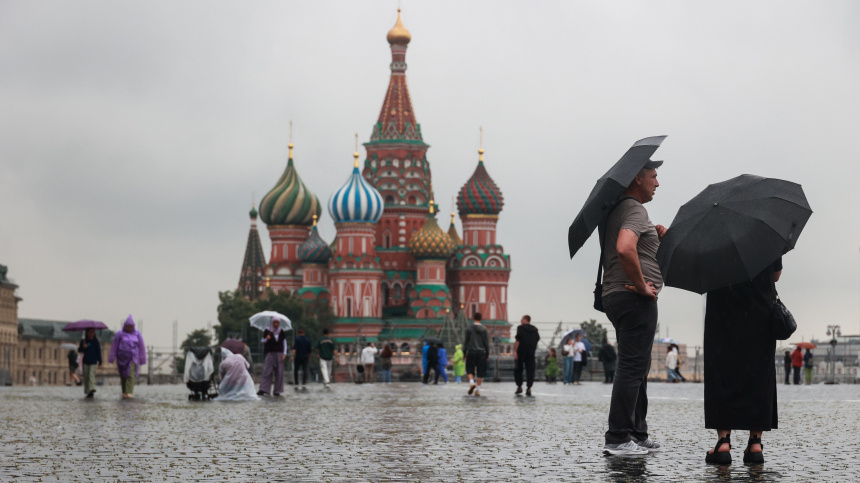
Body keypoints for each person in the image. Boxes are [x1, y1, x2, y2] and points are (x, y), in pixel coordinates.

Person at [598, 161, 665, 456]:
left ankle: (636, 433)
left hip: (616, 295)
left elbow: (631, 246)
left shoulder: (617, 210)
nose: (657, 183)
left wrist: (659, 237)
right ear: (638, 177)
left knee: (638, 367)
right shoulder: (635, 210)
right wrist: (640, 285)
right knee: (631, 367)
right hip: (633, 299)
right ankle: (618, 437)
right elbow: (626, 248)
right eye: (654, 176)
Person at [704, 258, 783, 465]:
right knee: (759, 373)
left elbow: (703, 272)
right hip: (759, 311)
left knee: (722, 371)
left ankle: (723, 443)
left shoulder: (711, 232)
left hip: (723, 311)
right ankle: (755, 443)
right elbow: (776, 275)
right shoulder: (765, 231)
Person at [108, 315, 147, 400]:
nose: (129, 328)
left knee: (130, 374)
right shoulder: (120, 333)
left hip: (133, 357)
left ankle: (129, 392)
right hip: (121, 358)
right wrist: (112, 357)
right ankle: (124, 392)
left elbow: (141, 346)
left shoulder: (137, 333)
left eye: (131, 326)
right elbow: (114, 346)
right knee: (123, 375)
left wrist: (142, 358)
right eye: (128, 326)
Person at [258, 318, 288, 396]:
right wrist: (266, 339)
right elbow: (262, 341)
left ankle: (277, 390)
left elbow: (284, 343)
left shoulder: (281, 332)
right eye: (274, 322)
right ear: (272, 322)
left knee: (279, 372)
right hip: (270, 352)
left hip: (279, 353)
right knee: (267, 371)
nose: (276, 324)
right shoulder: (267, 331)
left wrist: (284, 353)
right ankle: (264, 389)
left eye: (277, 322)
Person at [464, 312, 489, 397]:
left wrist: (464, 352)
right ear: (480, 318)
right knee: (480, 371)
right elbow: (486, 343)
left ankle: (471, 383)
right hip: (481, 353)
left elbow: (466, 342)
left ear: (473, 317)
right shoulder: (484, 329)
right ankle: (478, 389)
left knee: (469, 369)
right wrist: (487, 354)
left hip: (471, 351)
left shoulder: (469, 328)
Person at [514, 315, 540, 396]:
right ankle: (529, 387)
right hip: (531, 352)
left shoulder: (520, 328)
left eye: (521, 319)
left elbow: (518, 340)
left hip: (521, 351)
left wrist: (515, 351)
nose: (520, 320)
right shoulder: (535, 330)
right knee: (530, 370)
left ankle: (519, 386)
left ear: (525, 320)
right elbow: (537, 338)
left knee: (519, 369)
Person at [78, 328, 102, 398]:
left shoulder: (96, 341)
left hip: (93, 362)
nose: (91, 334)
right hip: (85, 361)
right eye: (90, 332)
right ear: (87, 333)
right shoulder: (83, 341)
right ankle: (88, 391)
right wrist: (83, 347)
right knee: (86, 377)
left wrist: (100, 362)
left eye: (93, 332)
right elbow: (79, 350)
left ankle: (92, 388)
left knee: (91, 375)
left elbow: (98, 352)